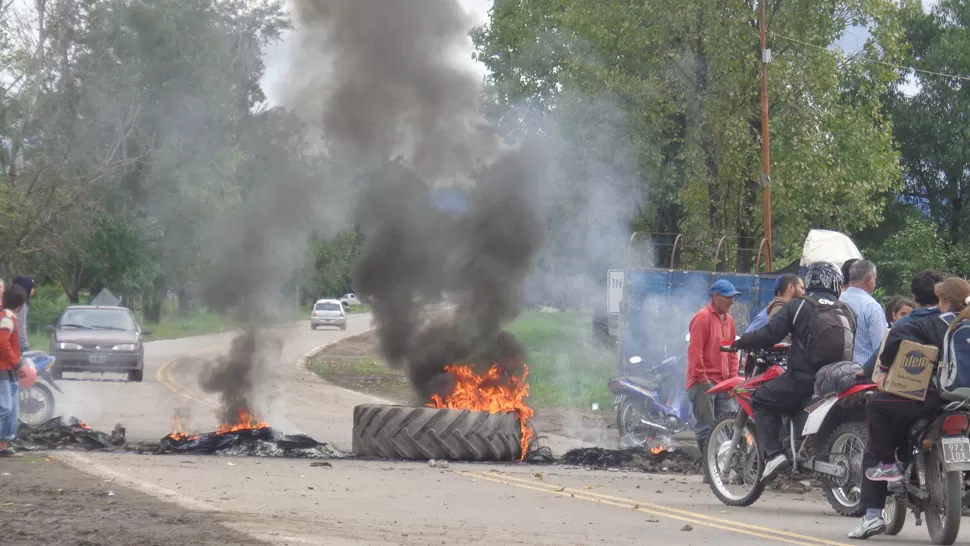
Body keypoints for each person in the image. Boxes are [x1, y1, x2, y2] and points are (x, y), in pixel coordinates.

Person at [849, 277, 970, 540]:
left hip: (931, 399)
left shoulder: (924, 322)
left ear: (946, 302)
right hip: (964, 405)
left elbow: (893, 344)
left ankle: (874, 508)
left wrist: (881, 370)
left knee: (877, 407)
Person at [734, 261, 857, 481]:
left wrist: (741, 342)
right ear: (836, 283)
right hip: (837, 379)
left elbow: (770, 334)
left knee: (761, 399)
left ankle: (773, 455)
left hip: (804, 379)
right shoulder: (846, 309)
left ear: (811, 281)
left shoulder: (800, 305)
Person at [686, 279, 741, 458]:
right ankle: (708, 470)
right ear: (715, 296)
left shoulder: (730, 321)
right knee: (707, 429)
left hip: (723, 384)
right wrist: (704, 381)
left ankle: (730, 466)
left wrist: (732, 380)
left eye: (733, 298)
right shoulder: (702, 317)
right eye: (728, 297)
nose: (732, 301)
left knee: (732, 424)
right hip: (703, 384)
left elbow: (732, 352)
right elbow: (695, 353)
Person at [860, 269, 944, 379]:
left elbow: (880, 356)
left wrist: (865, 370)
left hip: (904, 385)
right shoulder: (950, 322)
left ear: (914, 296)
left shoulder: (903, 324)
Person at [840, 260, 887, 365]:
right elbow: (881, 349)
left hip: (836, 371)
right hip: (863, 373)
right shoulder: (872, 307)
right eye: (875, 279)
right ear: (869, 279)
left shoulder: (837, 300)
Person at [0, 284, 28, 457]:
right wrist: (17, 365)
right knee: (5, 407)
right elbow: (2, 343)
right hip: (3, 369)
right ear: (20, 305)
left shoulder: (10, 317)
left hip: (9, 370)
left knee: (12, 410)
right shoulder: (7, 319)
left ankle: (3, 445)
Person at [10, 275, 34, 352]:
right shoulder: (22, 304)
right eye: (31, 287)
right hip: (14, 345)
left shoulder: (11, 300)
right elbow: (21, 326)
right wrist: (25, 347)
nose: (33, 290)